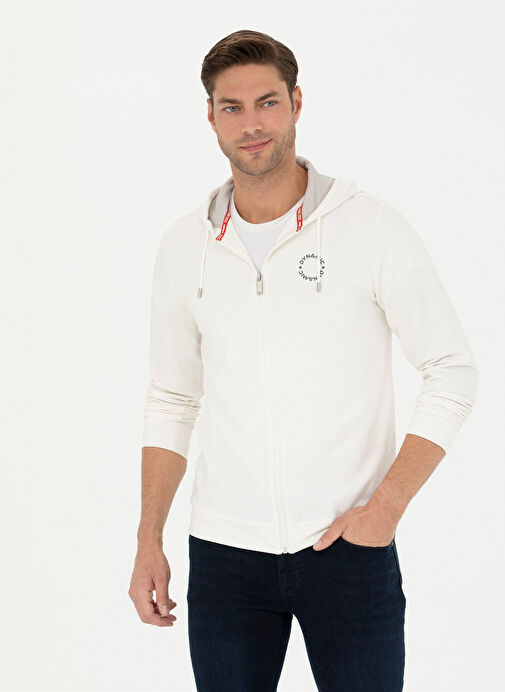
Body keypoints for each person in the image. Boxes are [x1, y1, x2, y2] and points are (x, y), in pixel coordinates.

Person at [128, 29, 479, 691]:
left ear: (295, 103)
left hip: (347, 549)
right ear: (210, 117)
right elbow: (171, 396)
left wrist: (386, 507)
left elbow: (451, 370)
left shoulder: (368, 227)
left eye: (266, 102)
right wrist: (150, 537)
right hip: (224, 555)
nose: (251, 124)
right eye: (232, 107)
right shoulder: (184, 246)